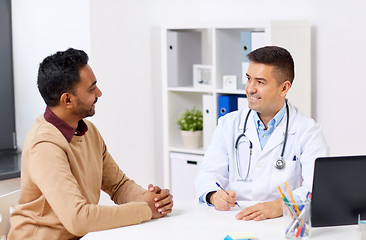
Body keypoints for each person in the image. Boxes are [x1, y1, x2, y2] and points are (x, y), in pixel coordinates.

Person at [8, 48, 173, 240]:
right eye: (91, 89)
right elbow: (78, 219)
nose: (99, 93)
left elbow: (118, 185)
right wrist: (145, 210)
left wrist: (151, 200)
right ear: (67, 99)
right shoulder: (44, 145)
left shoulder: (88, 131)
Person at [195, 46, 328, 221]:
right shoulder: (228, 124)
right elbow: (207, 174)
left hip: (281, 222)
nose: (250, 89)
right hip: (235, 218)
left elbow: (316, 188)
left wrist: (281, 205)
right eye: (249, 79)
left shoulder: (307, 131)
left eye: (260, 82)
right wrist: (213, 195)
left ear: (284, 88)